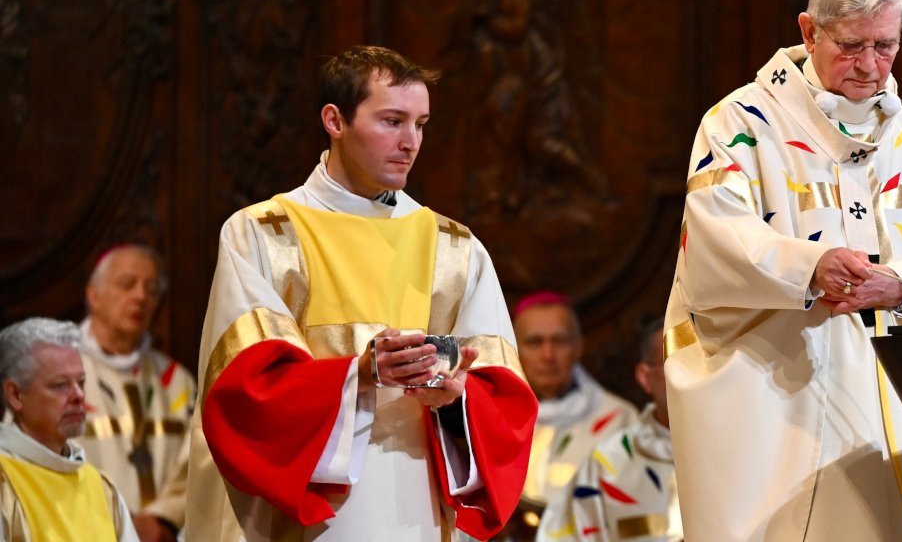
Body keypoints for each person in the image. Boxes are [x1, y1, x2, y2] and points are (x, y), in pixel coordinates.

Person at [662, 0, 902, 540]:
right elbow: (714, 235)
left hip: (887, 402)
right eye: (851, 45)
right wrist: (809, 265)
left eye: (886, 45)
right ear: (808, 30)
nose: (871, 66)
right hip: (780, 402)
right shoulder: (740, 123)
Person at [184, 45, 537, 541]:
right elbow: (242, 397)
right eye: (392, 121)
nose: (410, 142)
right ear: (334, 120)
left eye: (421, 124)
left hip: (419, 508)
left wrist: (455, 400)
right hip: (311, 516)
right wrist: (361, 374)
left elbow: (505, 404)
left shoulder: (456, 250)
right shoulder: (265, 234)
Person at [75, 244, 195, 541]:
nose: (141, 297)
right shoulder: (55, 376)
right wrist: (116, 521)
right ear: (94, 295)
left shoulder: (176, 382)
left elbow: (199, 459)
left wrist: (163, 518)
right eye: (127, 284)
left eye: (151, 289)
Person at [538, 317, 679, 542]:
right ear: (645, 377)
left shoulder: (747, 451)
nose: (693, 377)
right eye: (677, 360)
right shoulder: (605, 466)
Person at [513, 291, 641, 535]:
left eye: (559, 341)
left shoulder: (619, 419)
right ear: (513, 348)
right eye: (534, 342)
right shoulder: (489, 420)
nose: (548, 355)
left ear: (578, 347)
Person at [0, 317, 138, 541]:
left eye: (81, 382)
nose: (79, 396)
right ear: (15, 395)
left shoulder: (101, 489)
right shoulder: (4, 483)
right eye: (60, 385)